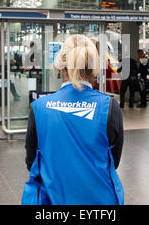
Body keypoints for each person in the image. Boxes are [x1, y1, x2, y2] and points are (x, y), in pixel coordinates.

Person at [22, 34, 124, 205]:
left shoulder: (38, 107)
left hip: (53, 200)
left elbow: (32, 162)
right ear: (93, 68)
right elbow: (114, 160)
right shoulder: (109, 107)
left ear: (61, 67)